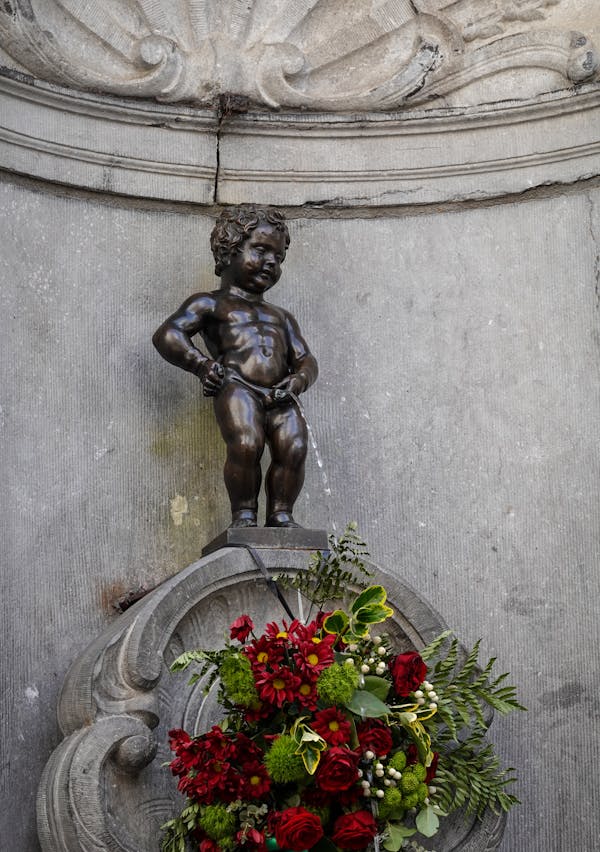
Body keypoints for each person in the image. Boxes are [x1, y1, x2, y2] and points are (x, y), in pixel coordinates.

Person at [153, 206, 318, 529]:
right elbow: (168, 335)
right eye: (261, 249)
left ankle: (281, 514)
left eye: (279, 257)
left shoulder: (282, 317)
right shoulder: (210, 303)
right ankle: (243, 515)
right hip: (237, 385)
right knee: (246, 443)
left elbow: (306, 360)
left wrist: (298, 381)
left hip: (281, 393)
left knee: (295, 446)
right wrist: (201, 365)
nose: (272, 261)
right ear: (229, 250)